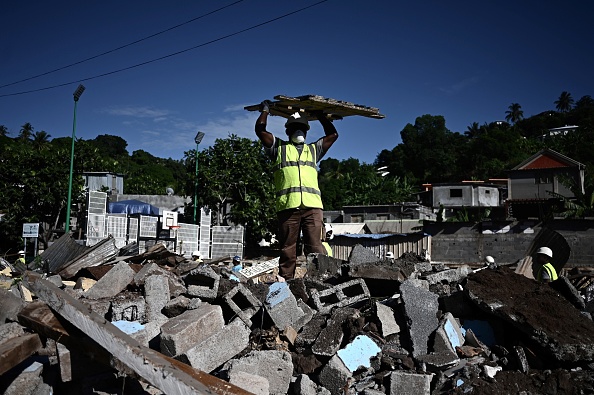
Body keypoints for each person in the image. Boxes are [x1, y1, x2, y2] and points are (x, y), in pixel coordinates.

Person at [255, 100, 339, 280]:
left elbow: (333, 134)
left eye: (302, 128)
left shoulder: (313, 150)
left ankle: (320, 280)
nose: (298, 131)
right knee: (287, 249)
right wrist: (265, 111)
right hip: (288, 207)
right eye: (294, 128)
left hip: (312, 207)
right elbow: (260, 131)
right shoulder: (278, 148)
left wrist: (321, 116)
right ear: (287, 131)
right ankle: (287, 282)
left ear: (307, 132)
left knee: (315, 247)